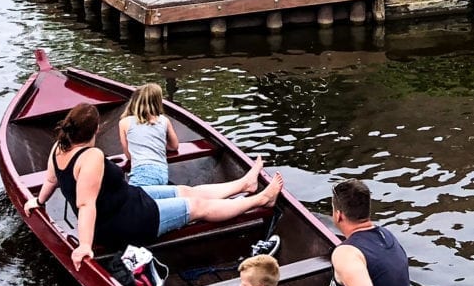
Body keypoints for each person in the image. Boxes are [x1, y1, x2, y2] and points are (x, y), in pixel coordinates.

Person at [26, 102, 282, 269]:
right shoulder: (90, 156)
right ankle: (260, 200)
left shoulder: (58, 148)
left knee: (187, 191)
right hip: (127, 221)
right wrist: (84, 245)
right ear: (97, 129)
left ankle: (244, 184)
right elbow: (85, 204)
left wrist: (38, 201)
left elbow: (50, 181)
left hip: (129, 199)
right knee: (198, 206)